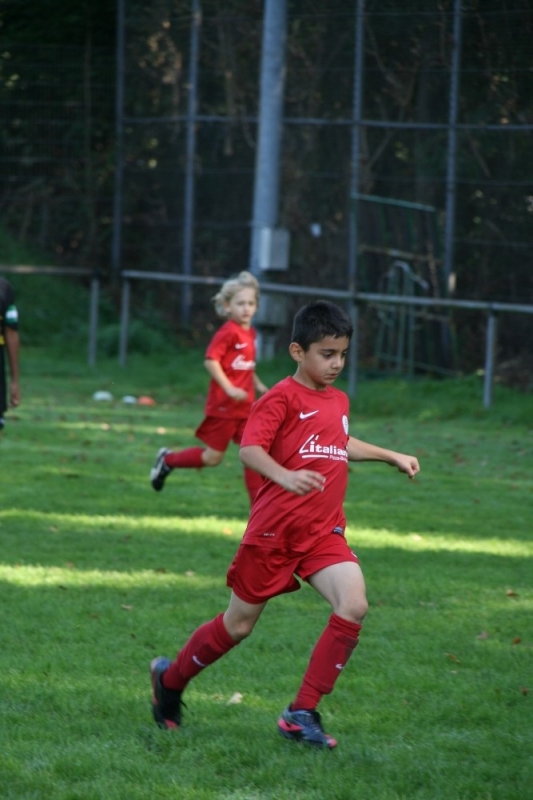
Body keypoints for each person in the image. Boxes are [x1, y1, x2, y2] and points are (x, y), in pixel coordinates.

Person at [149, 300, 420, 748]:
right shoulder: (280, 397)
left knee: (353, 605)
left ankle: (301, 712)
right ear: (298, 351)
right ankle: (170, 680)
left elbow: (339, 440)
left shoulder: (338, 399)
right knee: (238, 625)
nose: (336, 364)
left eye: (342, 354)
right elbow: (249, 450)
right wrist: (286, 476)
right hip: (274, 532)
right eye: (326, 354)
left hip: (322, 532)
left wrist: (390, 455)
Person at [150, 270, 268, 506]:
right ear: (227, 306)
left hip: (246, 407)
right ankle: (168, 460)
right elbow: (211, 361)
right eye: (240, 303)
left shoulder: (250, 332)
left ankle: (259, 511)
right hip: (224, 407)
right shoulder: (228, 332)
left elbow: (243, 365)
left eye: (251, 303)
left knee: (254, 452)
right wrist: (229, 389)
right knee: (213, 457)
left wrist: (257, 384)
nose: (246, 308)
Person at [0, 277, 21, 431]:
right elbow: (11, 333)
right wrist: (14, 380)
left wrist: (14, 381)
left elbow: (11, 332)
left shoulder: (4, 289)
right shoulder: (3, 288)